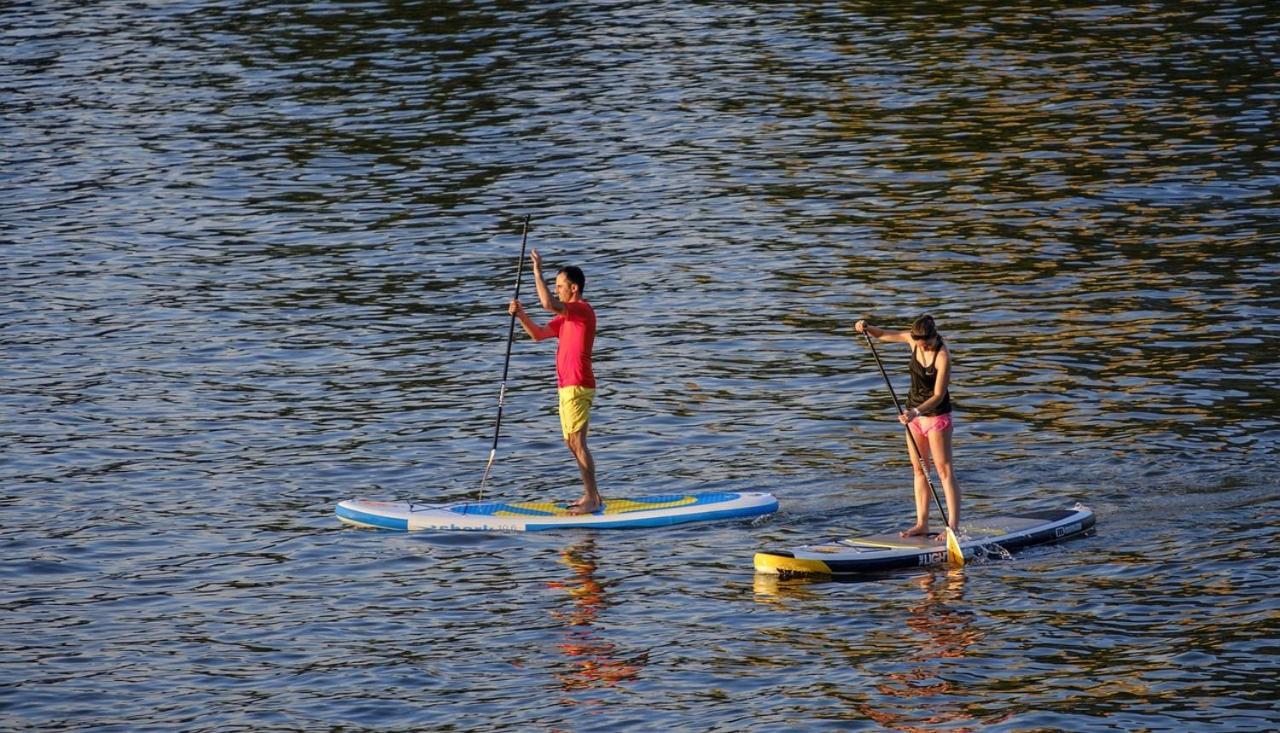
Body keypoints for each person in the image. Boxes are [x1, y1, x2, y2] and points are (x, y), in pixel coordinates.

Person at [509, 249, 600, 514]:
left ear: (573, 288)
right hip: (566, 386)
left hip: (578, 383)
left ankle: (592, 499)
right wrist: (521, 314)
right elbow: (538, 334)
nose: (557, 290)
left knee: (578, 441)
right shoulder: (566, 318)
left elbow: (548, 303)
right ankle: (592, 495)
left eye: (560, 286)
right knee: (571, 442)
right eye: (555, 286)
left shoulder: (581, 310)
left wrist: (536, 272)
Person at [854, 314, 960, 539]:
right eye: (921, 344)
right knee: (919, 469)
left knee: (943, 470)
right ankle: (922, 523)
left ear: (934, 337)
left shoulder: (943, 356)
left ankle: (952, 526)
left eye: (928, 344)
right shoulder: (912, 341)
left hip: (935, 416)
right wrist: (867, 327)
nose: (925, 347)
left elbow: (939, 395)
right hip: (913, 417)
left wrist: (917, 412)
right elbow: (882, 334)